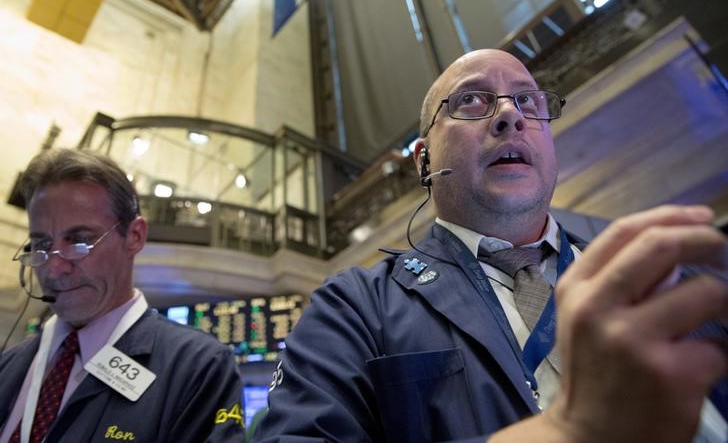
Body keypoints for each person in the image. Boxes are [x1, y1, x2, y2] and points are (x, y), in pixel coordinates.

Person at [252, 49, 728, 442]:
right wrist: (567, 431)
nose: (509, 116)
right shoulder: (353, 308)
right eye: (473, 101)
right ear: (424, 159)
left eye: (526, 100)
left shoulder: (665, 273)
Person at [0, 148, 245, 443]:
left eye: (79, 241)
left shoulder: (198, 367)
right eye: (42, 244)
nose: (54, 269)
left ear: (135, 236)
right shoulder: (8, 365)